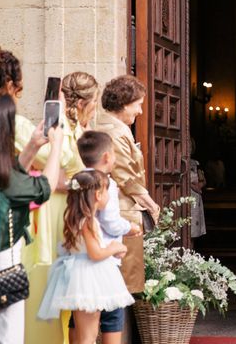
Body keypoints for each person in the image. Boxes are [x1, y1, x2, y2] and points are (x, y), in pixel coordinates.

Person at [38, 170, 134, 344]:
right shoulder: (87, 220)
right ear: (98, 195)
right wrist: (113, 248)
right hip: (88, 278)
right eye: (107, 192)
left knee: (87, 334)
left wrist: (111, 249)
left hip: (86, 275)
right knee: (87, 337)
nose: (109, 197)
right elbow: (95, 253)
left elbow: (87, 248)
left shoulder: (77, 218)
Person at [0, 94, 64, 344]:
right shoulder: (9, 181)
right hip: (4, 266)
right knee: (9, 334)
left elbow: (11, 175)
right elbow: (44, 187)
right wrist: (56, 145)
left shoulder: (5, 176)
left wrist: (33, 146)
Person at [73, 130, 142, 344]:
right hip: (102, 266)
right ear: (106, 157)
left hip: (76, 266)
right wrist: (130, 228)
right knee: (112, 315)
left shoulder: (77, 180)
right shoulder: (105, 184)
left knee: (80, 322)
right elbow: (111, 223)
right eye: (113, 153)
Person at [96, 75, 159, 294]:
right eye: (138, 105)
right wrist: (151, 204)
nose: (140, 111)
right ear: (124, 103)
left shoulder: (114, 127)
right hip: (121, 209)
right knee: (120, 283)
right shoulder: (114, 131)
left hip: (120, 207)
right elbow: (125, 176)